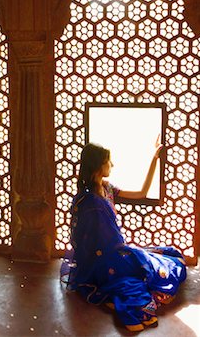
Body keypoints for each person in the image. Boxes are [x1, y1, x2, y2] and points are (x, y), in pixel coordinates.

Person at [60, 138, 187, 332]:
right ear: (97, 166)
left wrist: (154, 159)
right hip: (100, 261)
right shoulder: (87, 201)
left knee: (169, 255)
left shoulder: (108, 188)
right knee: (158, 270)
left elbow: (142, 193)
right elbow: (84, 242)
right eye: (108, 161)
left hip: (117, 250)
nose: (112, 165)